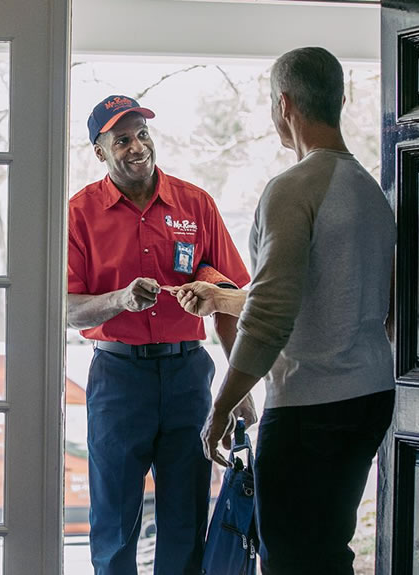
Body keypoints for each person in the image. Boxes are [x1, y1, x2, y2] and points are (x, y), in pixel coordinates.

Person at [176, 47, 397, 575]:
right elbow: (353, 301)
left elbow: (274, 311)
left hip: (310, 408)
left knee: (292, 559)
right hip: (369, 398)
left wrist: (223, 406)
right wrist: (226, 300)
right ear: (339, 100)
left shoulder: (292, 189)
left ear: (284, 103)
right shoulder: (373, 193)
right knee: (326, 551)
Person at [67, 94, 254, 575]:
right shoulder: (78, 213)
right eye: (122, 139)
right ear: (100, 151)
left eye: (142, 134)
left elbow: (234, 300)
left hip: (188, 374)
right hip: (117, 378)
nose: (136, 147)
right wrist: (120, 300)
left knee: (186, 517)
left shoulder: (196, 204)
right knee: (114, 520)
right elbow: (65, 308)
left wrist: (241, 386)